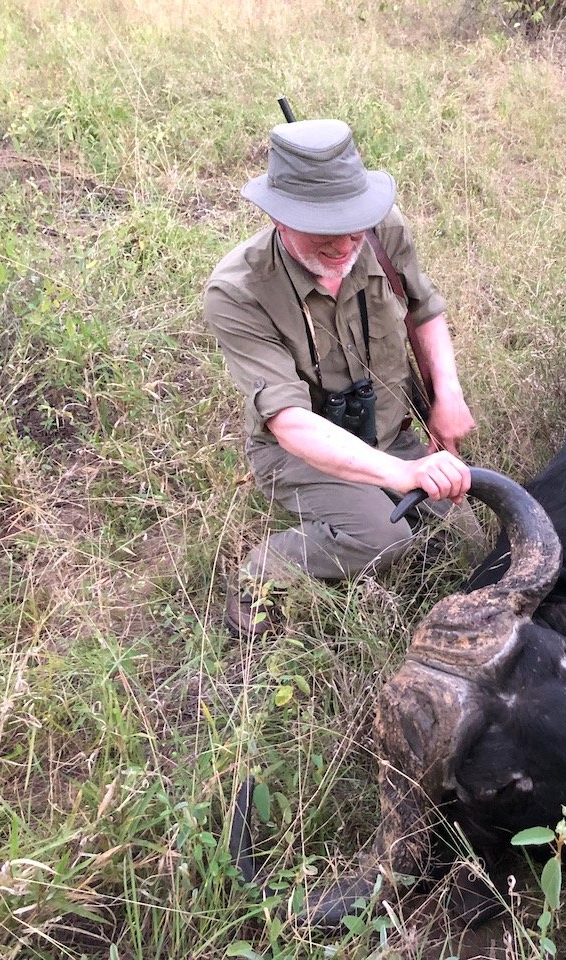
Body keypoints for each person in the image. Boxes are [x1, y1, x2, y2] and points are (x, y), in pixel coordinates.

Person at [206, 117, 478, 639]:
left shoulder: (382, 230)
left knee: (463, 540)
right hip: (299, 453)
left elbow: (425, 310)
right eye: (323, 231)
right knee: (384, 538)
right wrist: (399, 477)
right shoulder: (237, 291)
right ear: (279, 218)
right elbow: (290, 425)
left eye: (353, 227)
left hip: (392, 434)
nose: (344, 245)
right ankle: (263, 573)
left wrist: (448, 394)